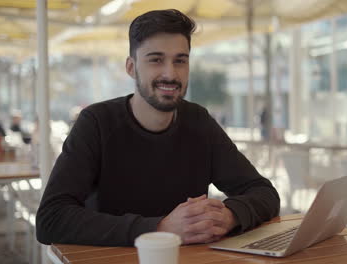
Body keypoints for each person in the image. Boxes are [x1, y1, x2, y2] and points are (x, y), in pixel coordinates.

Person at [36, 9, 280, 247]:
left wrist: (229, 216)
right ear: (131, 67)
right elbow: (51, 219)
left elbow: (264, 193)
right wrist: (160, 228)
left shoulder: (198, 121)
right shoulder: (97, 122)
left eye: (180, 61)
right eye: (156, 60)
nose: (170, 73)